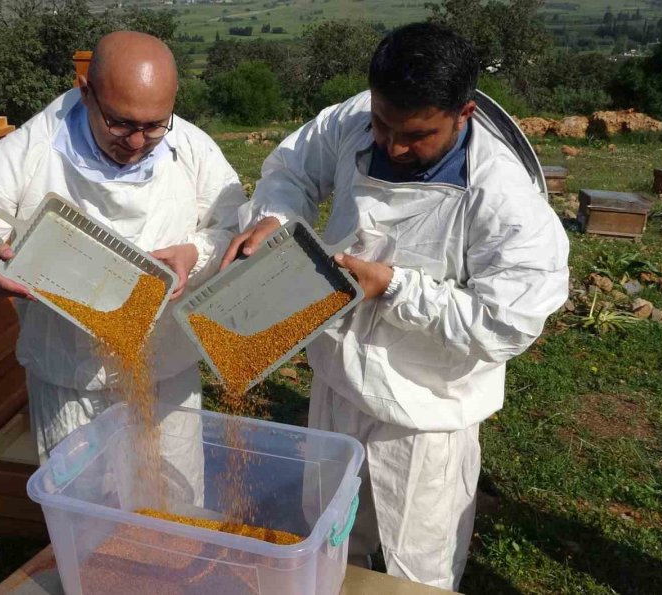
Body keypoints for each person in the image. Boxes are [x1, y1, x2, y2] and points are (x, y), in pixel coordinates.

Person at [221, 22, 569, 590]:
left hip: (424, 407)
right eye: (383, 124)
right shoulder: (356, 118)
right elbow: (291, 169)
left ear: (464, 114)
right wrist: (276, 221)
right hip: (338, 376)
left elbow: (505, 321)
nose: (393, 145)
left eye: (417, 135)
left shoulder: (505, 198)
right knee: (331, 533)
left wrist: (395, 288)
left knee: (418, 565)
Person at [0, 31, 247, 465]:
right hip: (70, 384)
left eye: (153, 126)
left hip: (167, 377)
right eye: (120, 123)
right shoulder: (30, 151)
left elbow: (232, 225)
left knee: (174, 496)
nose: (136, 142)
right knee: (85, 501)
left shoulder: (193, 148)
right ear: (86, 92)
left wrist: (195, 254)